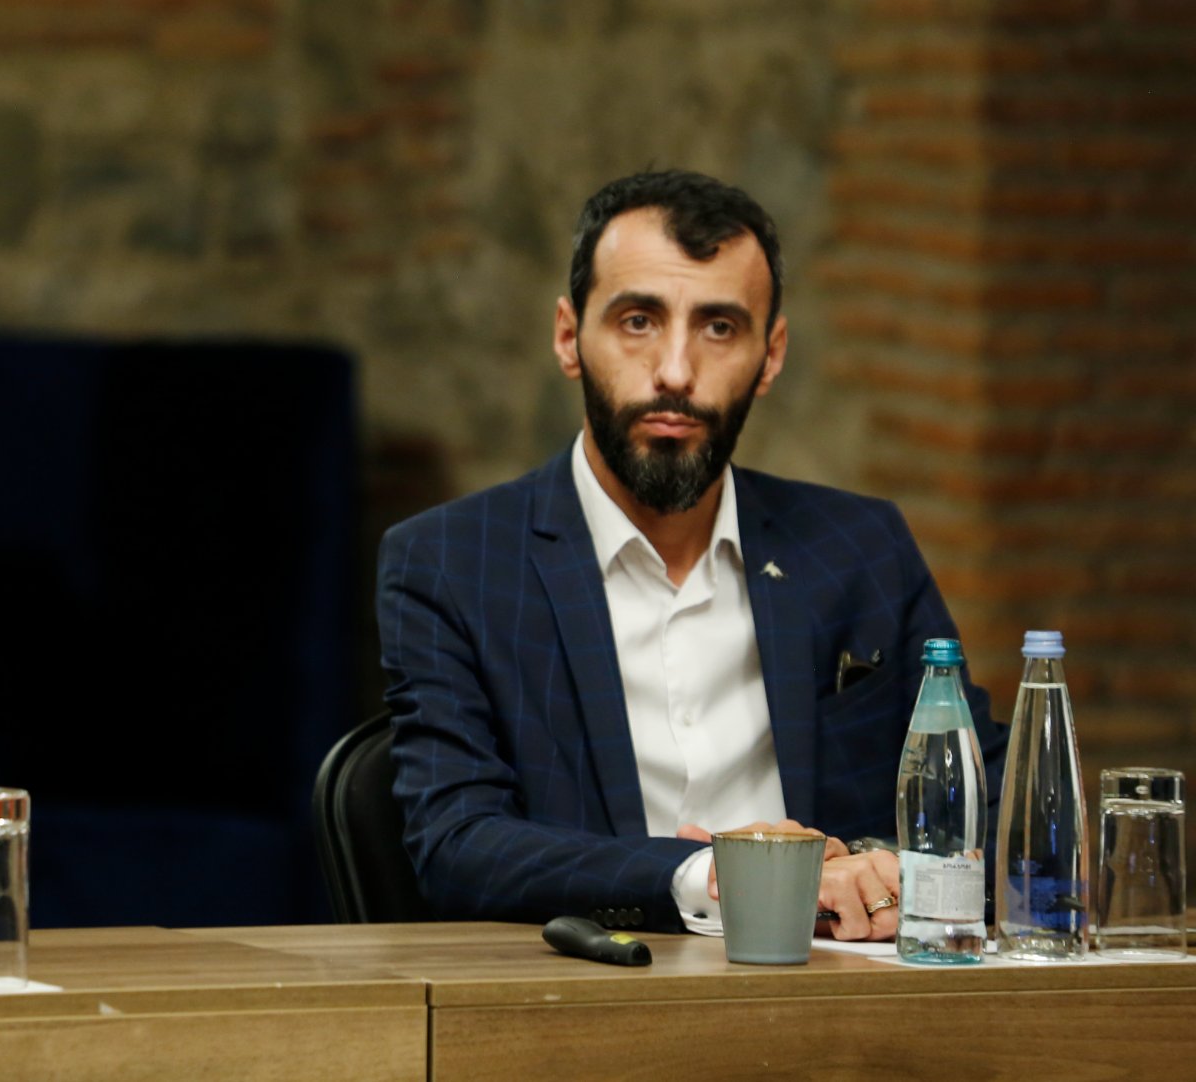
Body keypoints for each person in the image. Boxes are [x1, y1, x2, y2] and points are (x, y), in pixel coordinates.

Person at [378, 169, 1008, 940]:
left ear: (771, 355)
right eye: (638, 321)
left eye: (719, 328)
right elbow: (458, 845)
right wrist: (722, 875)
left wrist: (880, 869)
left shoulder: (860, 548)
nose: (675, 372)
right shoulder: (451, 563)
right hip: (592, 990)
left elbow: (990, 798)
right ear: (569, 337)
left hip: (838, 987)